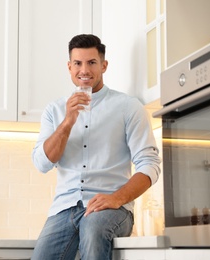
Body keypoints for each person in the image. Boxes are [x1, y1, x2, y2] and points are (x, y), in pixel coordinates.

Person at [31, 34, 161, 260]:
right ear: (69, 67)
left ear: (104, 65)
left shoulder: (128, 107)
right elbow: (42, 163)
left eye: (92, 62)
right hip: (64, 209)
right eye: (78, 63)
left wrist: (117, 198)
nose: (85, 70)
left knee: (93, 228)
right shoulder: (54, 111)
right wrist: (68, 122)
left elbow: (149, 165)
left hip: (112, 209)